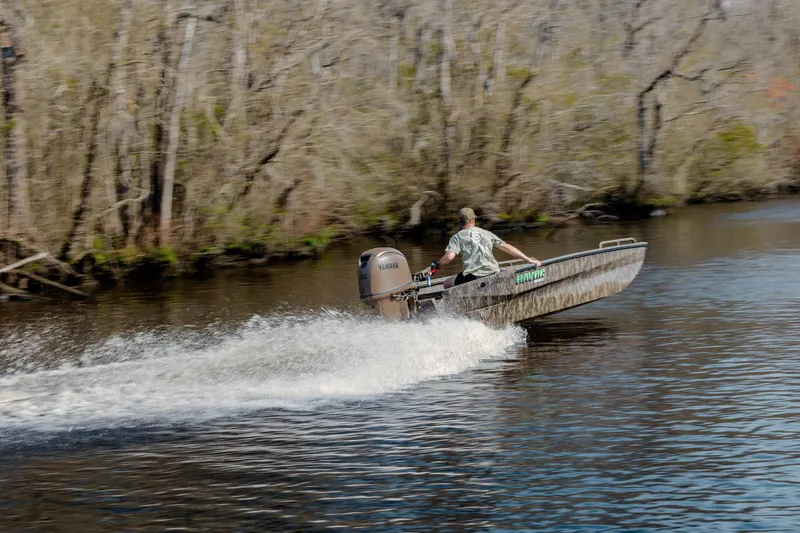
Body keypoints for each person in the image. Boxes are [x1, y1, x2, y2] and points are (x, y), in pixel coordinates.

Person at [426, 207, 541, 288]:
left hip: (473, 278)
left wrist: (438, 264)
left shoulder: (457, 237)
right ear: (473, 220)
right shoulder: (487, 233)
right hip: (493, 273)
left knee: (446, 284)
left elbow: (449, 257)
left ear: (459, 222)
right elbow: (508, 248)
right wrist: (529, 260)